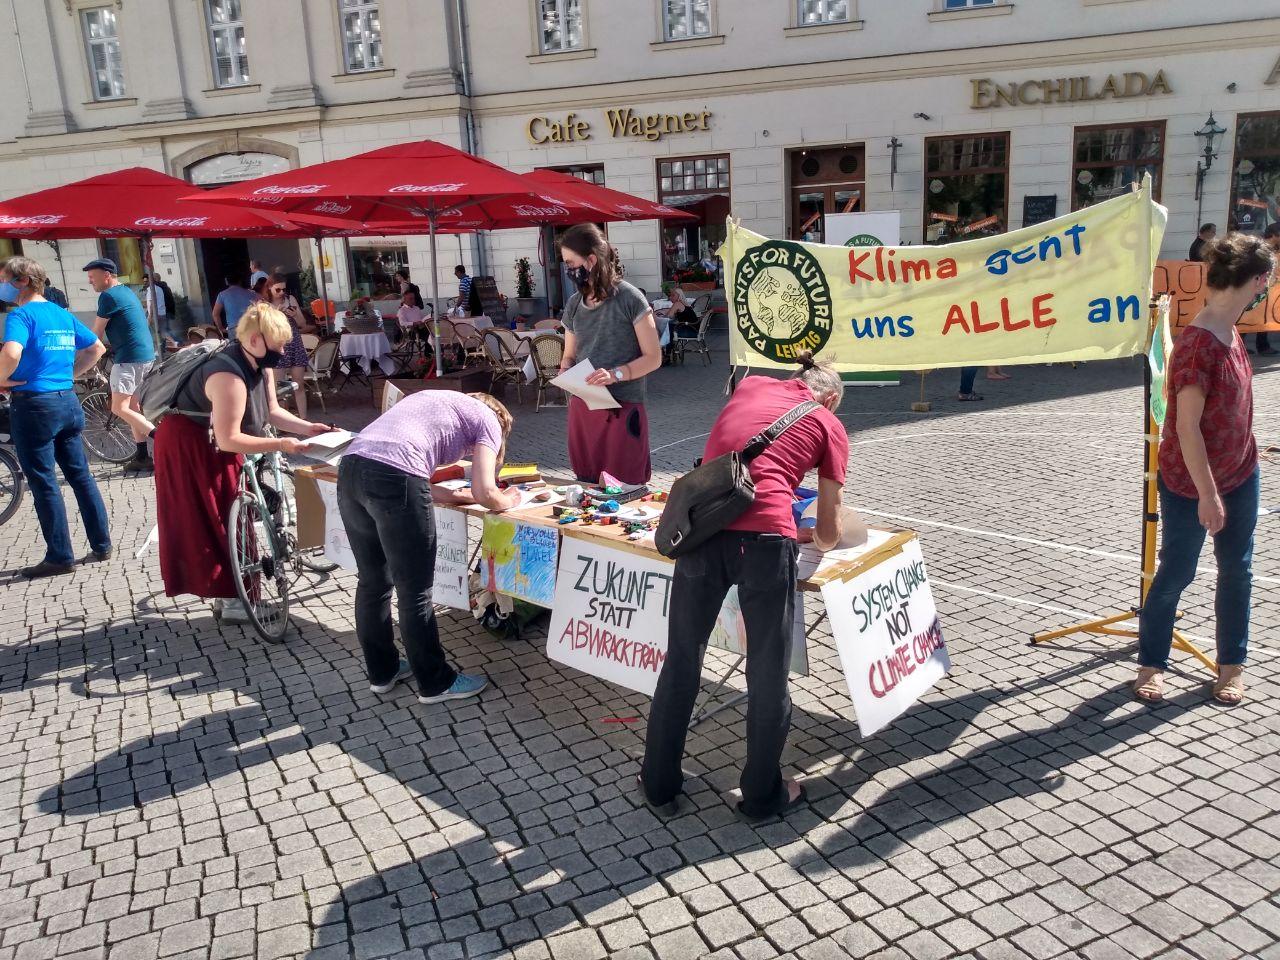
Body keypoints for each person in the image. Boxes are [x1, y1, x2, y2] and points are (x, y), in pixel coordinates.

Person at [642, 352, 848, 820]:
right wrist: (811, 532)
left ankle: (658, 783)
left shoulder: (751, 387)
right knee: (767, 671)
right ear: (830, 397)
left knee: (682, 658)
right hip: (764, 543)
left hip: (703, 531)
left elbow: (738, 445)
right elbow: (830, 532)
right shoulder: (826, 423)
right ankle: (760, 795)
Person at [1135, 234, 1276, 707]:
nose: (1268, 290)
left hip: (1241, 473)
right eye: (1268, 282)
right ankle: (1152, 662)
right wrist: (1208, 496)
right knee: (1177, 571)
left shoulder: (1230, 329)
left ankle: (1231, 665)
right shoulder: (1199, 345)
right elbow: (1187, 429)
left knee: (1237, 571)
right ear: (1257, 281)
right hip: (1192, 484)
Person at [153, 302, 331, 622]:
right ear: (254, 340)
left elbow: (272, 411)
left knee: (228, 514)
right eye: (277, 345)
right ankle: (235, 599)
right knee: (212, 518)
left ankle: (230, 594)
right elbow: (229, 439)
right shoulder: (227, 375)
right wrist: (282, 443)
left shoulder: (260, 365)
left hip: (208, 439)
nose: (281, 351)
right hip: (189, 443)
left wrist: (308, 428)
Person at [338, 392, 519, 704]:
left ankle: (383, 672)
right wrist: (509, 500)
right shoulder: (489, 420)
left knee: (372, 581)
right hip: (393, 476)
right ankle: (435, 682)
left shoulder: (439, 402)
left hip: (351, 469)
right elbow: (487, 490)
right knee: (415, 590)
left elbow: (417, 481)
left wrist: (460, 497)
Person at [0, 256, 112, 578]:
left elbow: (11, 352)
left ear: (21, 282)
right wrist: (68, 376)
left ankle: (60, 555)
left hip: (34, 405)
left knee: (44, 481)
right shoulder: (60, 314)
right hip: (66, 401)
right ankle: (102, 544)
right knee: (81, 476)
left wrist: (0, 379)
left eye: (5, 279)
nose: (2, 286)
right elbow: (96, 349)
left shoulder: (21, 315)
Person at [558, 223, 663, 485]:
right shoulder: (573, 305)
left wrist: (616, 374)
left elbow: (654, 357)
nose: (568, 270)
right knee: (587, 487)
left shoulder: (630, 298)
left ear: (591, 260)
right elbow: (569, 355)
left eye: (571, 263)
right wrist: (565, 369)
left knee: (625, 488)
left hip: (623, 410)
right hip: (584, 408)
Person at [84, 257, 158, 473]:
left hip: (129, 358)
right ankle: (142, 457)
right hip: (144, 356)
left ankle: (161, 440)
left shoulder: (108, 296)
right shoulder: (125, 291)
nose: (90, 281)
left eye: (92, 277)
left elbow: (94, 334)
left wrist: (77, 353)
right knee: (133, 407)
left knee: (119, 407)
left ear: (107, 275)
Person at [267, 274, 314, 419]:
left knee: (298, 384)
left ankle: (303, 419)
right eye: (278, 290)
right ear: (270, 288)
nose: (281, 293)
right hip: (277, 344)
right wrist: (277, 315)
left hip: (294, 343)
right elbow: (265, 328)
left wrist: (294, 315)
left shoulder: (290, 299)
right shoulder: (265, 304)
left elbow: (303, 324)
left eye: (284, 289)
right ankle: (284, 421)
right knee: (279, 388)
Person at [1255, 224, 1280, 356]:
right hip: (1258, 288)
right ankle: (1263, 347)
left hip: (1268, 288)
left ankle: (1262, 346)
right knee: (1256, 316)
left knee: (1262, 316)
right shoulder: (1260, 248)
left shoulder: (1272, 249)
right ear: (1275, 234)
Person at [212, 275, 257, 340]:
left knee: (236, 349)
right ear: (240, 281)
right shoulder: (251, 293)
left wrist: (221, 329)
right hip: (251, 327)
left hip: (234, 330)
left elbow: (215, 314)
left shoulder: (222, 295)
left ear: (226, 281)